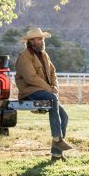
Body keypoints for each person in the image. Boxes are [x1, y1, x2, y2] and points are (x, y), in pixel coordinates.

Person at [15, 27, 73, 159]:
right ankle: (57, 138)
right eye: (39, 39)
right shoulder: (25, 56)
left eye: (42, 38)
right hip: (29, 92)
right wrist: (49, 88)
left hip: (45, 91)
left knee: (64, 117)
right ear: (31, 41)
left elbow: (53, 72)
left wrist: (55, 86)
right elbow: (31, 78)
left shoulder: (44, 55)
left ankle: (57, 153)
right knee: (52, 98)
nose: (42, 41)